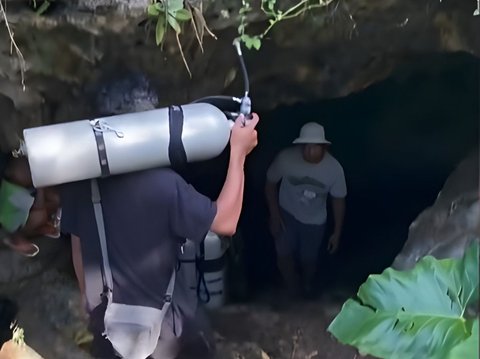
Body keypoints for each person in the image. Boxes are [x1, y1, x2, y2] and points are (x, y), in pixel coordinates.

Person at [59, 110, 259, 359]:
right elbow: (225, 222)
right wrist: (238, 153)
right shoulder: (164, 184)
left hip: (106, 327)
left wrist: (90, 305)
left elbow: (78, 246)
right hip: (168, 332)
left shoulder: (80, 187)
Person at [265, 122, 346, 298]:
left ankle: (308, 285)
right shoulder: (286, 159)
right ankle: (292, 288)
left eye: (315, 147)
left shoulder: (334, 169)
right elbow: (270, 184)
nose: (309, 152)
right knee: (283, 253)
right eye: (306, 147)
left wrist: (337, 232)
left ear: (324, 147)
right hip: (287, 213)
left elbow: (338, 200)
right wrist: (274, 215)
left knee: (308, 259)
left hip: (315, 220)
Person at [0, 154, 61, 257]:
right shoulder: (16, 224)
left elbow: (39, 206)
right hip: (18, 181)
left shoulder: (14, 224)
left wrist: (39, 185)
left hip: (17, 178)